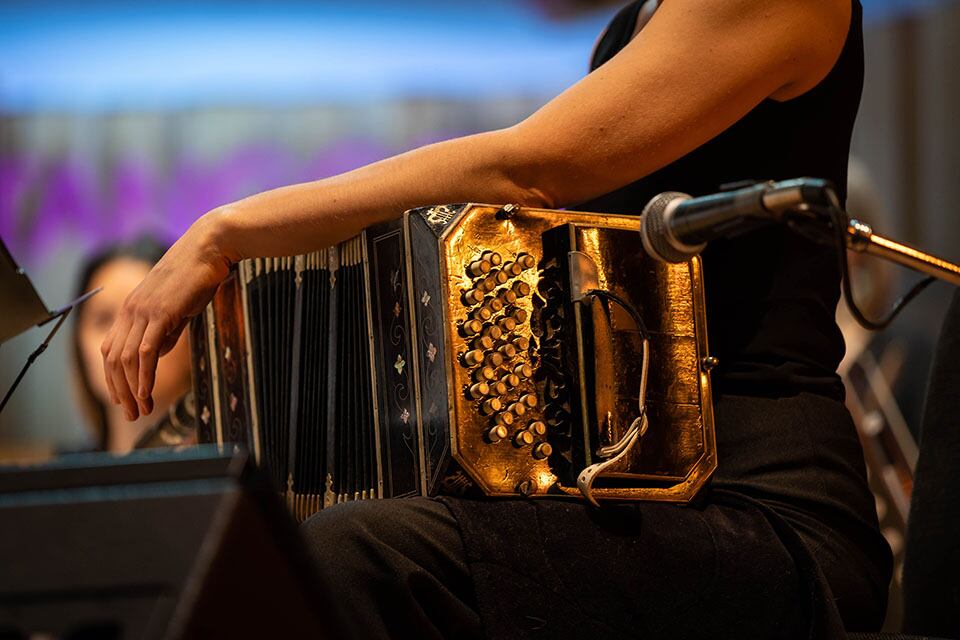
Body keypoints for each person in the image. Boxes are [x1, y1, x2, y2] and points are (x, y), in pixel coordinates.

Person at [100, 0, 891, 637]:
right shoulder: (634, 23)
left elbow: (531, 167)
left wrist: (226, 229)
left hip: (762, 515)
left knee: (360, 555)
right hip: (635, 492)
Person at [72, 238, 193, 452]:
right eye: (103, 319)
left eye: (149, 318)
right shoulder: (60, 481)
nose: (124, 339)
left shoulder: (242, 471)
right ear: (78, 346)